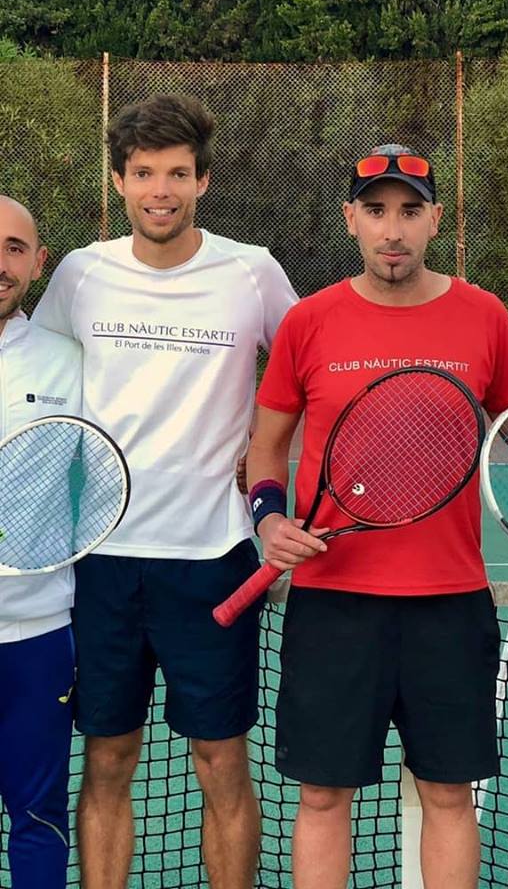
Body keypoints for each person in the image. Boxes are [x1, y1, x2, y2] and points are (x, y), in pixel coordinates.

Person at [245, 144, 508, 889]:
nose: (393, 229)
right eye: (376, 212)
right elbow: (266, 450)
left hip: (449, 602)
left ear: (437, 219)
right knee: (321, 795)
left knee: (447, 793)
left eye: (410, 211)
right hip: (333, 604)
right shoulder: (310, 322)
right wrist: (269, 519)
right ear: (351, 219)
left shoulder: (485, 317)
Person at [31, 94, 297, 889]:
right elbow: (34, 382)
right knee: (108, 759)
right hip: (101, 564)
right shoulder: (81, 273)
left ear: (203, 182)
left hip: (211, 561)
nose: (160, 189)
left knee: (221, 762)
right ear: (119, 181)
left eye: (177, 173)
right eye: (143, 172)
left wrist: (278, 480)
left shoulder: (252, 273)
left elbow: (307, 375)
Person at [0, 196, 82, 889]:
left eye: (13, 247)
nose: (0, 262)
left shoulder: (69, 362)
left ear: (37, 262)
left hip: (39, 635)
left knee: (40, 817)